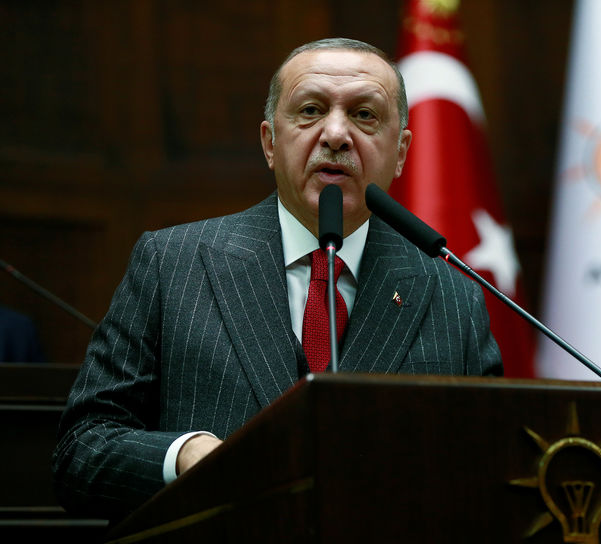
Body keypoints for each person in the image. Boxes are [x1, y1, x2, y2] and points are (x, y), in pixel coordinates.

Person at [52, 38, 501, 521]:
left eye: (365, 116)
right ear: (270, 142)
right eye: (310, 110)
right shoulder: (171, 263)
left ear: (401, 153)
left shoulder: (451, 294)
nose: (335, 134)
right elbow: (82, 450)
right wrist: (182, 456)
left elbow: (494, 470)